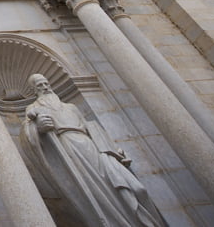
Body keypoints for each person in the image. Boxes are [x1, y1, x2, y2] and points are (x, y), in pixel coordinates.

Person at [20, 74, 165, 227]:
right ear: (34, 90)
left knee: (136, 188)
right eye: (40, 85)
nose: (45, 87)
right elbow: (27, 136)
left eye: (46, 83)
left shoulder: (70, 107)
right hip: (69, 148)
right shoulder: (34, 109)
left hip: (93, 147)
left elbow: (91, 128)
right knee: (95, 192)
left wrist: (114, 150)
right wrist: (38, 127)